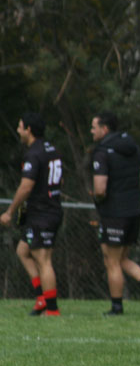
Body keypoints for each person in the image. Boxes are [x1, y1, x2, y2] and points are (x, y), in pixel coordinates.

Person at [90, 111, 140, 316]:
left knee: (111, 261)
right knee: (121, 259)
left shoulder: (102, 151)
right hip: (133, 210)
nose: (91, 131)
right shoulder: (133, 147)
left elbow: (100, 189)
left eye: (94, 127)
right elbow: (139, 179)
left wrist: (98, 199)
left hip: (114, 212)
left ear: (104, 129)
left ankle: (116, 307)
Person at [0, 112, 62, 316]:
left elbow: (26, 187)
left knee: (43, 260)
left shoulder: (34, 154)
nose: (18, 130)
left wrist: (10, 211)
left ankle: (52, 309)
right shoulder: (51, 149)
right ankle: (41, 298)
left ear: (29, 130)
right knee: (23, 251)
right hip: (48, 210)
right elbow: (59, 180)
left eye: (20, 127)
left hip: (42, 213)